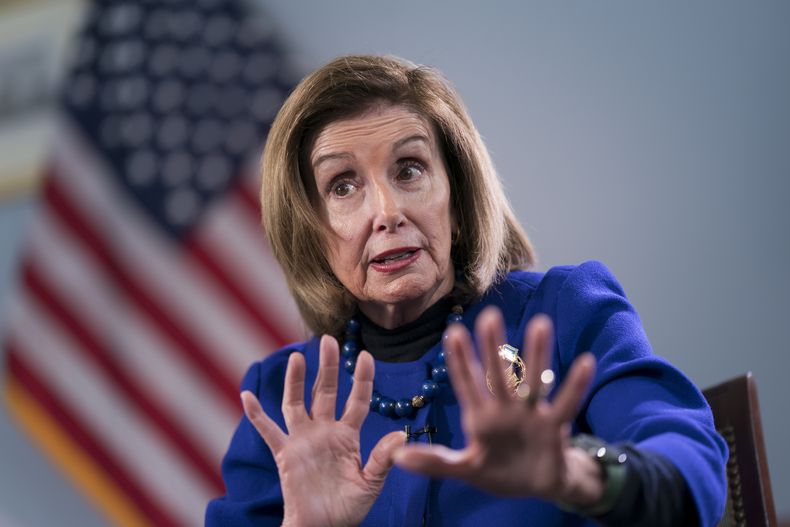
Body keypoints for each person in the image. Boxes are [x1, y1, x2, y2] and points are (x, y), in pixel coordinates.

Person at [205, 55, 727, 526]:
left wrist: (578, 473)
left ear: (455, 199)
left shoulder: (562, 313)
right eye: (343, 185)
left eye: (410, 169)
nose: (387, 211)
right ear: (309, 232)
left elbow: (692, 466)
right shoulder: (283, 396)